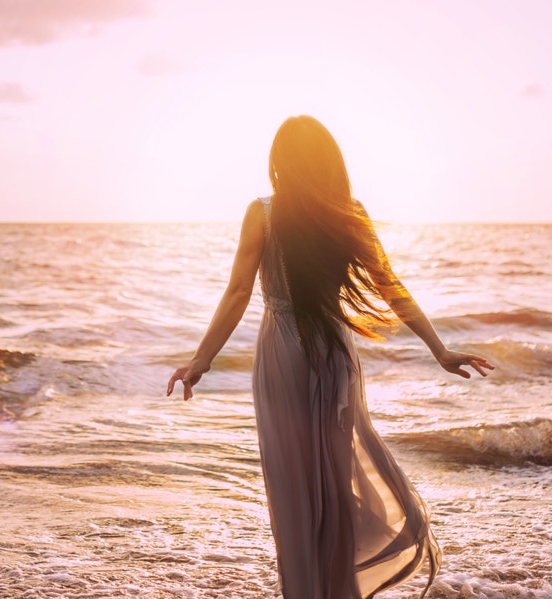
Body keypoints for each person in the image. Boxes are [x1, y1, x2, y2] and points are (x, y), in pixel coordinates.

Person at [167, 115, 495, 598]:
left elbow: (238, 291)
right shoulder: (347, 210)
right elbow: (390, 286)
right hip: (336, 354)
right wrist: (438, 348)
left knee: (292, 485)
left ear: (279, 161)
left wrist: (202, 360)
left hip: (283, 352)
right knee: (336, 481)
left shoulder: (263, 212)